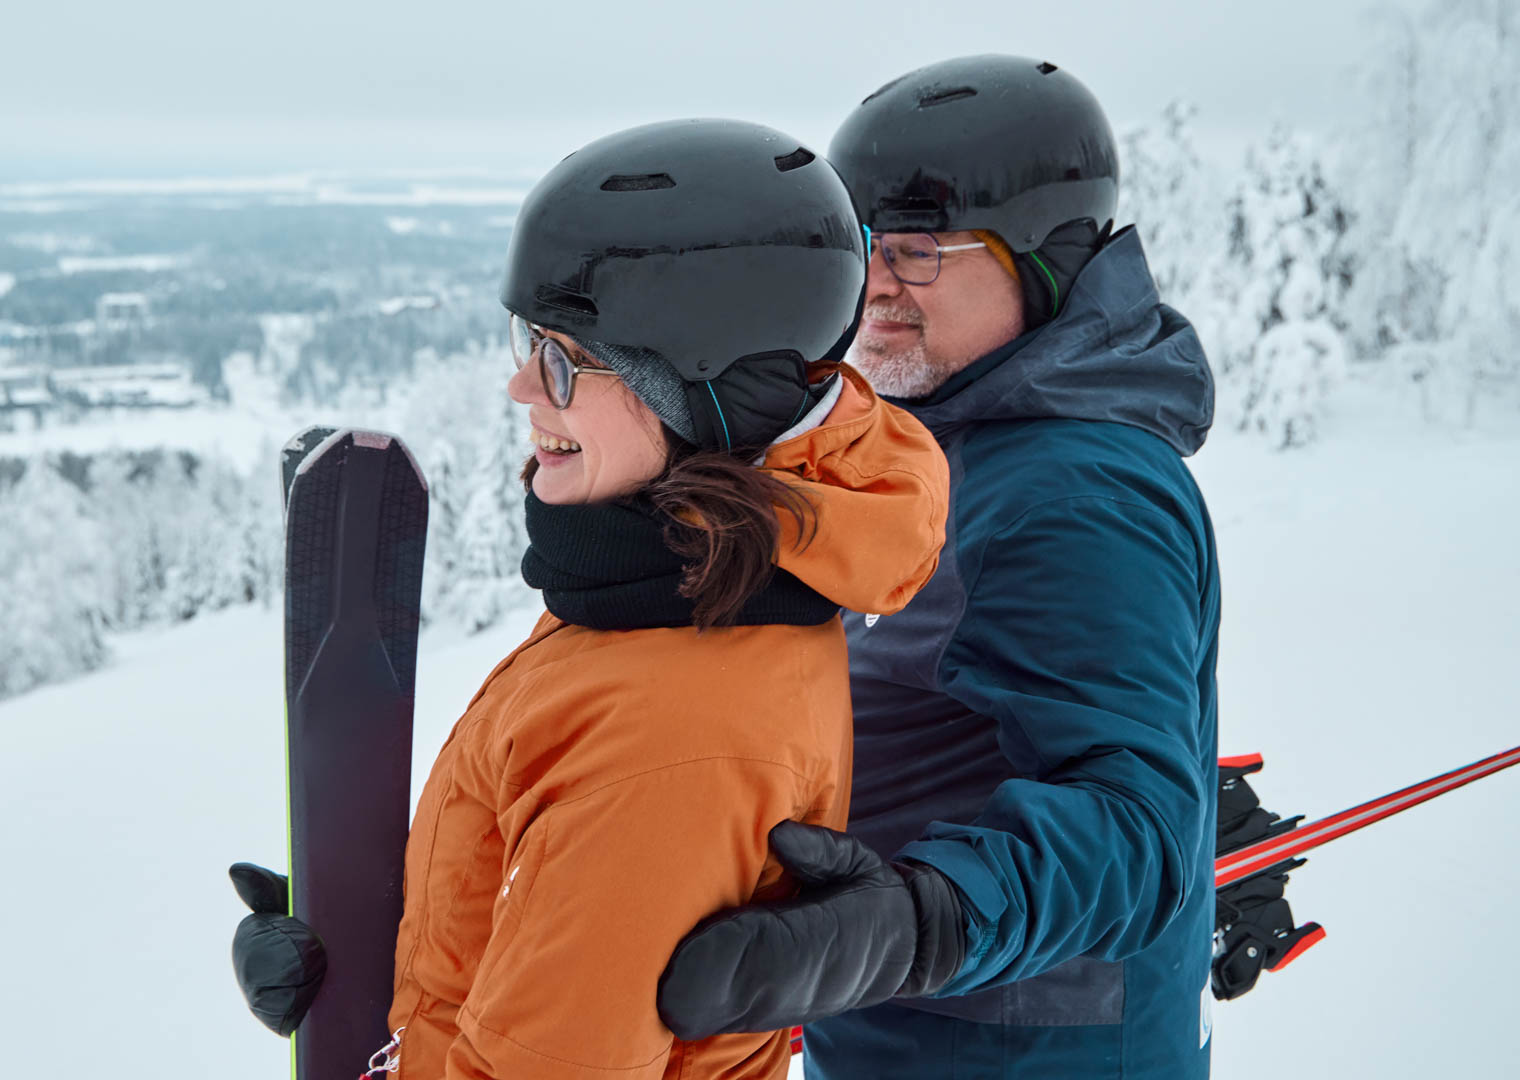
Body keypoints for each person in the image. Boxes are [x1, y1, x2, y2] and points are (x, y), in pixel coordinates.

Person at [230, 118, 951, 1078]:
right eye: (530, 340)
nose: (522, 384)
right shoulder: (669, 589)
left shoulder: (669, 724)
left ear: (695, 396)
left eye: (566, 360)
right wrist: (386, 953)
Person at [657, 56, 1222, 1079]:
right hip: (906, 1032)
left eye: (916, 253)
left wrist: (913, 925)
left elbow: (1136, 827)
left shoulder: (1072, 491)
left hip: (1023, 1056)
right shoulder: (939, 446)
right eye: (862, 247)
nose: (873, 286)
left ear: (1046, 262)